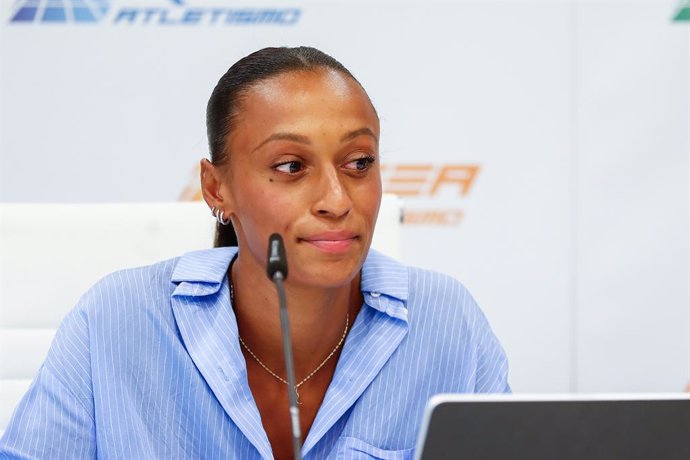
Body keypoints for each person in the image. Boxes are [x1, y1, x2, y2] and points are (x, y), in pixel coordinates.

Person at [0, 46, 509, 459]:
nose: (336, 200)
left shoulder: (447, 323)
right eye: (290, 166)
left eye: (359, 162)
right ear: (216, 188)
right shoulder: (115, 321)